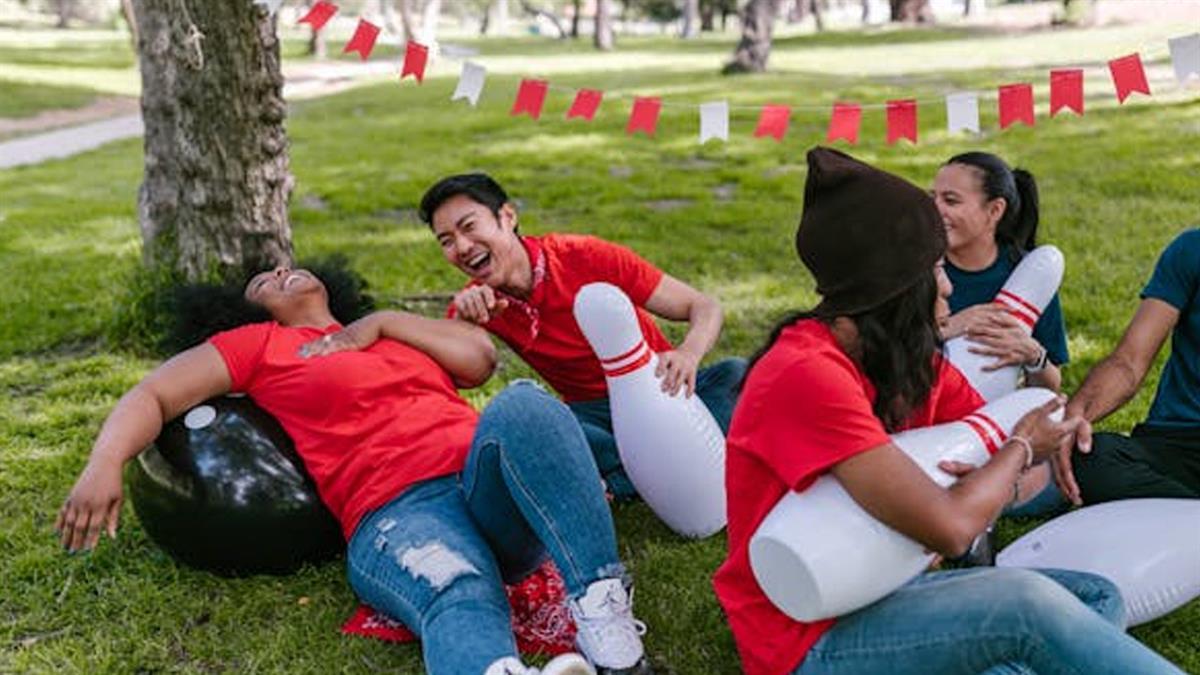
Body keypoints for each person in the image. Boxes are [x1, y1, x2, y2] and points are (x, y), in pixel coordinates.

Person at [713, 147, 1183, 675]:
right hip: (807, 638)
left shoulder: (908, 362)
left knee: (1093, 599)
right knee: (1029, 608)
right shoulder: (805, 373)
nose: (949, 285)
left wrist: (1029, 441)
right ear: (893, 286)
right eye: (936, 268)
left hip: (890, 584)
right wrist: (1021, 447)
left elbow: (1003, 452)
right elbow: (954, 528)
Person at [55, 263, 651, 675]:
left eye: (286, 265)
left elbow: (479, 360)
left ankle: (609, 630)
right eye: (264, 279)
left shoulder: (387, 335)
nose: (281, 270)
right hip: (398, 513)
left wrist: (384, 323)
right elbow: (153, 395)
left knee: (523, 401)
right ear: (248, 307)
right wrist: (104, 463)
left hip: (483, 483)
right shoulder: (259, 345)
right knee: (459, 590)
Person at [419, 173, 746, 501]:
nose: (461, 247)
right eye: (446, 240)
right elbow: (459, 379)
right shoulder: (476, 302)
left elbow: (703, 306)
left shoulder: (585, 256)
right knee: (534, 430)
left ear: (507, 216)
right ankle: (675, 461)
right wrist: (463, 323)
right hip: (593, 418)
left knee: (738, 376)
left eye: (469, 226)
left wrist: (688, 354)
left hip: (661, 390)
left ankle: (622, 479)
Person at [931, 152, 1067, 516]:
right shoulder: (920, 266)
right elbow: (879, 350)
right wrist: (948, 327)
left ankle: (969, 494)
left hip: (995, 424)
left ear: (994, 211)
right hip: (928, 417)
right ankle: (973, 497)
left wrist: (1033, 355)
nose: (936, 209)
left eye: (951, 200)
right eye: (933, 198)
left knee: (1064, 468)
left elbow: (1051, 389)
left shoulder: (1028, 273)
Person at [1053, 228, 1200, 505]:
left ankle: (1180, 517)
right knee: (1092, 458)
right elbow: (1129, 362)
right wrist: (1079, 413)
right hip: (1177, 442)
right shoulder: (1192, 249)